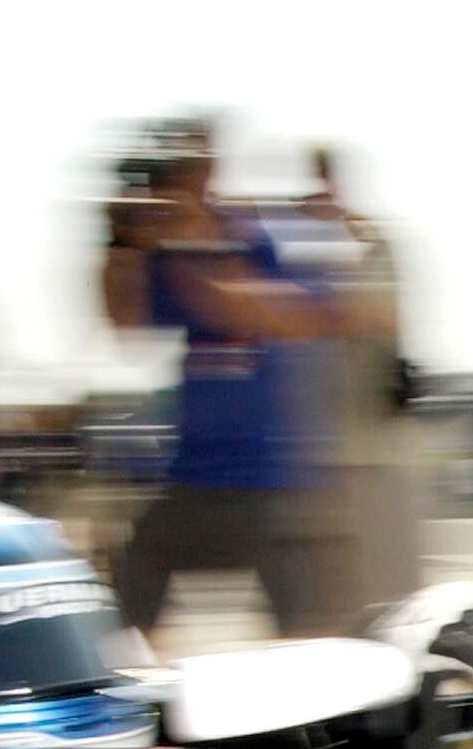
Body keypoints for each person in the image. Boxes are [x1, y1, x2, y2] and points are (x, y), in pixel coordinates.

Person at [106, 144, 348, 639]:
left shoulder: (256, 243)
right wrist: (121, 242)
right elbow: (124, 325)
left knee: (310, 644)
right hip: (195, 480)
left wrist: (195, 241)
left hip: (275, 484)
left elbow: (269, 315)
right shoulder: (173, 254)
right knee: (124, 617)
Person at [297, 144, 421, 610]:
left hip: (372, 445)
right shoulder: (286, 250)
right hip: (315, 452)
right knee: (330, 592)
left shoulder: (370, 246)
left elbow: (374, 316)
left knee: (390, 584)